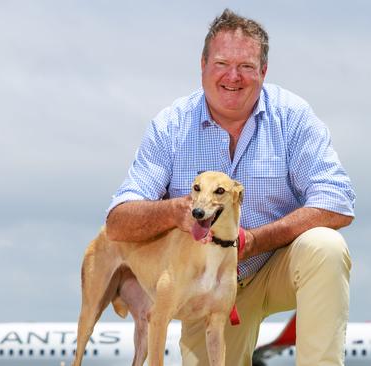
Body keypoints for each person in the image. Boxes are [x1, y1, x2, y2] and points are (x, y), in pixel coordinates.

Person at [105, 8, 355, 366]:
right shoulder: (171, 126)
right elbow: (118, 222)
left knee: (325, 247)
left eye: (247, 66)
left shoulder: (293, 115)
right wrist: (175, 211)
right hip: (204, 286)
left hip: (273, 266)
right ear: (203, 65)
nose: (233, 77)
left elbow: (337, 201)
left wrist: (255, 241)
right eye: (222, 63)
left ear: (263, 72)